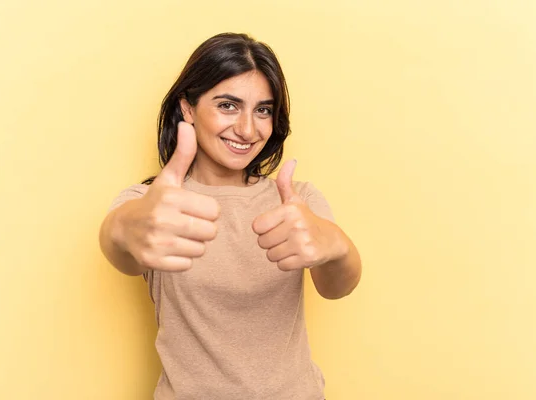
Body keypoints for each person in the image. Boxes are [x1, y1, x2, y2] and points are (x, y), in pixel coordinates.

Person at [99, 32, 362, 400]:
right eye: (227, 105)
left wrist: (334, 243)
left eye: (263, 110)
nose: (248, 129)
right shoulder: (155, 204)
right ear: (188, 107)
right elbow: (118, 243)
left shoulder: (298, 201)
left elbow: (336, 288)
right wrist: (123, 228)